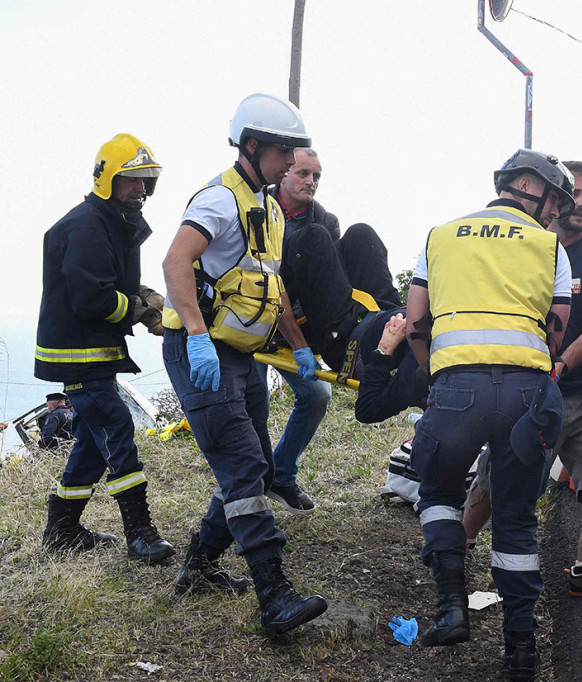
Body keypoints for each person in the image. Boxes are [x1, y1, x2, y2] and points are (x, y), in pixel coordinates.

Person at [161, 93, 327, 634]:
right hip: (202, 350)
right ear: (252, 147)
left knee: (250, 462)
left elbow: (270, 286)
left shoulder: (270, 209)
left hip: (241, 354)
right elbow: (175, 261)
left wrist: (298, 345)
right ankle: (273, 595)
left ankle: (200, 567)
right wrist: (196, 337)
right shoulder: (218, 200)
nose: (290, 163)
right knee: (242, 466)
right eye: (284, 153)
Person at [405, 149, 573, 681]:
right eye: (554, 201)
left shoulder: (440, 235)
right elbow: (558, 329)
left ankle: (452, 605)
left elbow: (414, 323)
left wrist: (438, 380)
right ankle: (520, 652)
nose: (555, 214)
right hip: (527, 392)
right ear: (527, 185)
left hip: (457, 388)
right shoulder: (550, 249)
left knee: (437, 493)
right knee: (517, 516)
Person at [459, 160, 582, 602]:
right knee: (500, 475)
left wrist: (556, 369)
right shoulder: (522, 247)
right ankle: (456, 547)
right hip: (523, 387)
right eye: (573, 194)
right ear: (554, 198)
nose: (581, 204)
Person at [35, 134, 173, 562]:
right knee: (116, 425)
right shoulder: (87, 225)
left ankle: (62, 530)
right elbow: (94, 299)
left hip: (94, 354)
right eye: (132, 180)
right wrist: (139, 309)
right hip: (79, 355)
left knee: (93, 444)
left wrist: (147, 302)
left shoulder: (109, 222)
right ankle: (139, 532)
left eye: (146, 180)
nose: (141, 190)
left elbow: (115, 285)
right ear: (107, 179)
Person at [254, 147, 400, 515]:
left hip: (311, 324)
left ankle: (392, 324)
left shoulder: (323, 219)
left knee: (360, 234)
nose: (311, 182)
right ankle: (251, 485)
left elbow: (329, 279)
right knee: (252, 403)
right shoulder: (256, 210)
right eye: (303, 174)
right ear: (284, 173)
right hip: (260, 320)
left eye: (316, 176)